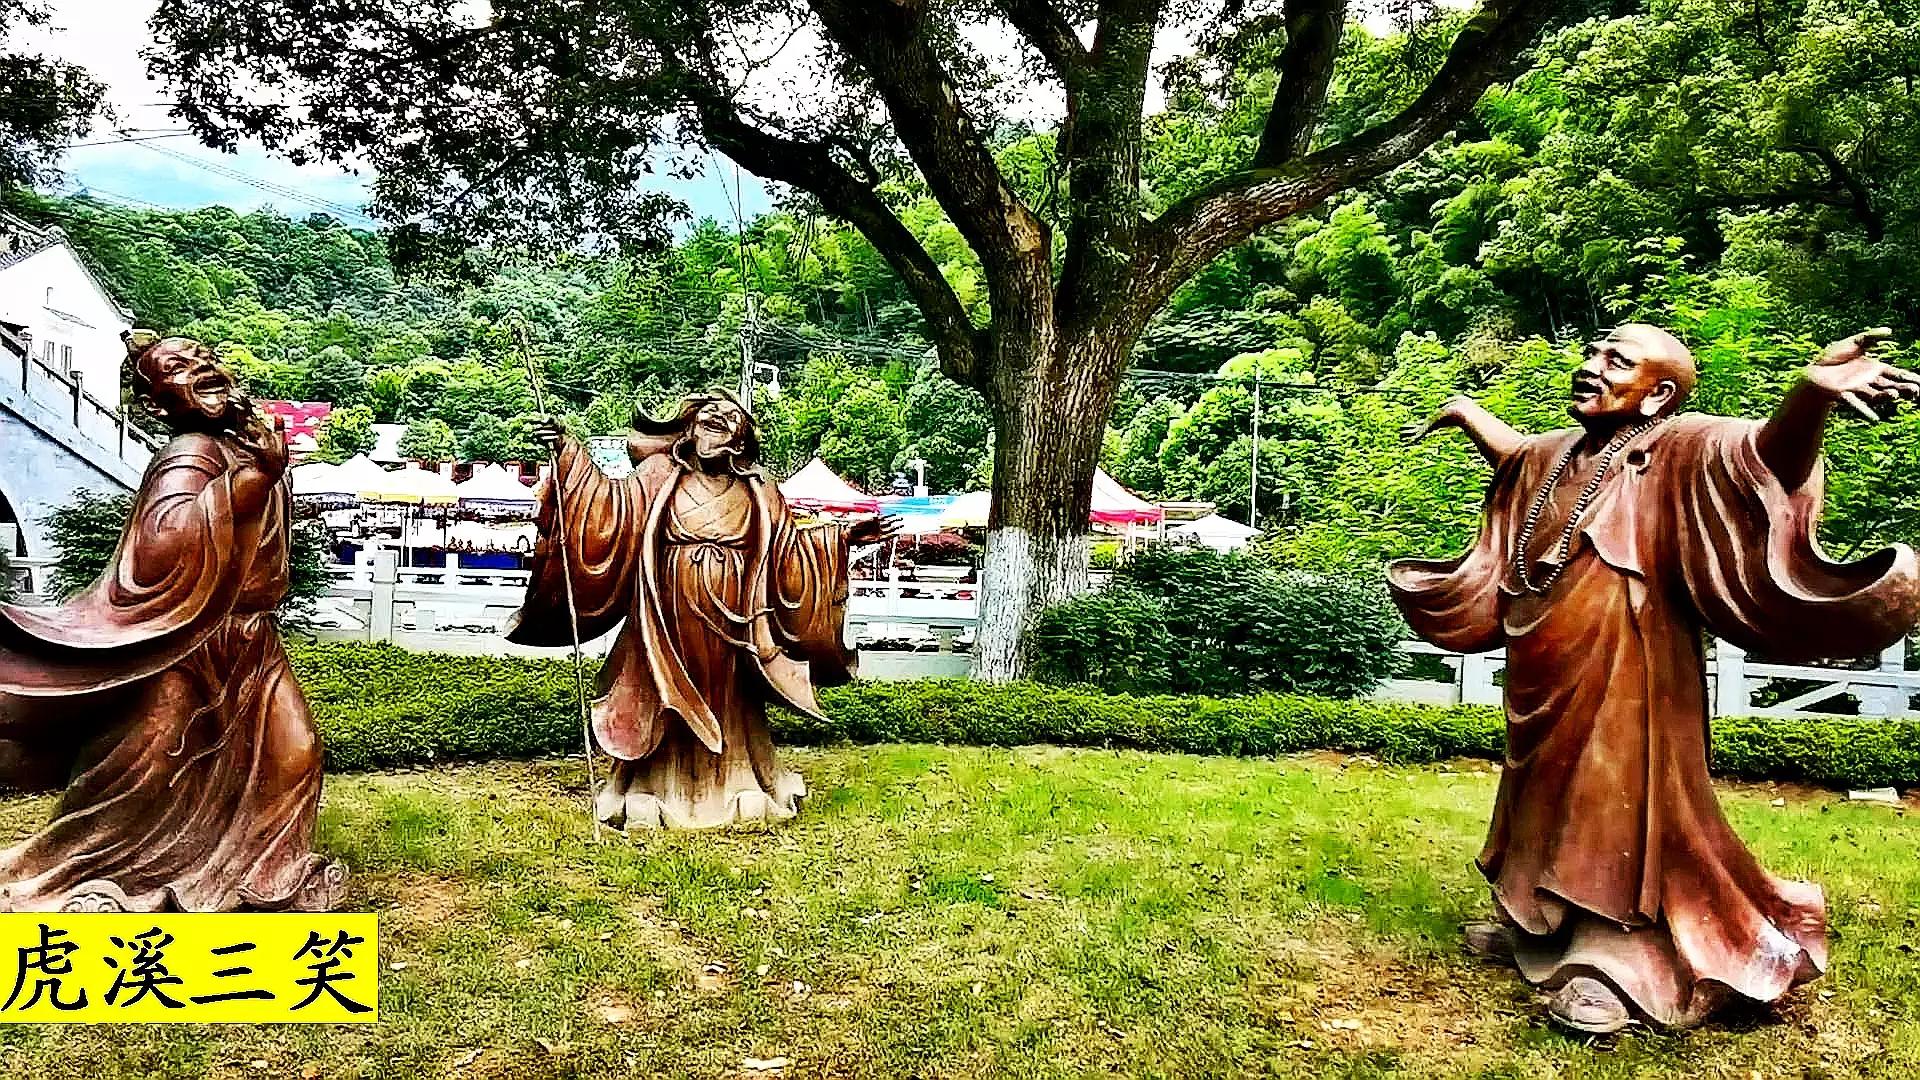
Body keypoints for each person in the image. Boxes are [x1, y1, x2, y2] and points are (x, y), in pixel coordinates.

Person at [1392, 324, 1920, 1033]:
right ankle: (1544, 928)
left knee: (1615, 794)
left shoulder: (1678, 444)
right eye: (1593, 352)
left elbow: (1763, 460)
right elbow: (1519, 458)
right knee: (1541, 788)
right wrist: (1468, 413)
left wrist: (1809, 396)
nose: (1590, 366)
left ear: (1657, 394)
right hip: (1544, 659)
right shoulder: (1561, 452)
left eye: (1616, 361)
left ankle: (1617, 956)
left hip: (1631, 658)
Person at [0, 332, 343, 912]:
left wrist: (263, 468)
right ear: (158, 404)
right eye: (179, 367)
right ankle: (96, 873)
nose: (202, 368)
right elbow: (163, 547)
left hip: (251, 638)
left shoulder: (244, 447)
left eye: (205, 358)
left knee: (295, 753)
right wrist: (254, 480)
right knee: (152, 765)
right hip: (186, 642)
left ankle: (264, 877)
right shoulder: (189, 455)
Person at [508, 392, 896, 829]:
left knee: (728, 695)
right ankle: (653, 782)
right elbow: (609, 510)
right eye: (708, 415)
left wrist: (841, 538)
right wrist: (566, 453)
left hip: (737, 617)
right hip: (666, 611)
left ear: (741, 441)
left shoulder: (759, 490)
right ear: (688, 430)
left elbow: (789, 549)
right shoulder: (658, 475)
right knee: (663, 688)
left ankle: (736, 777)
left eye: (730, 419)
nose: (718, 419)